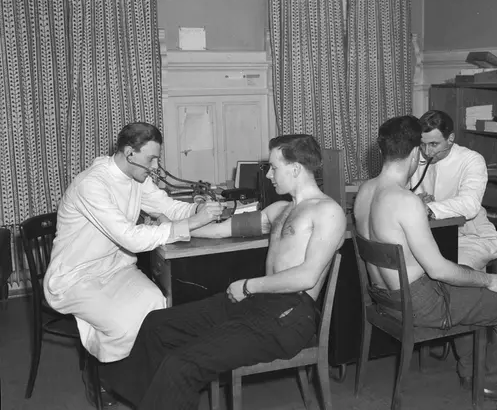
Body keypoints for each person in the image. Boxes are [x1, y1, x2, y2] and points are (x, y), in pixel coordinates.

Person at [102, 134, 347, 410]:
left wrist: (248, 286)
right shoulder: (280, 210)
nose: (268, 175)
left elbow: (307, 277)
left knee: (182, 364)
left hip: (289, 316)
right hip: (258, 302)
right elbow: (221, 230)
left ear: (295, 169)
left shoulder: (328, 212)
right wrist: (171, 227)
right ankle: (150, 402)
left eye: (273, 167)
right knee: (156, 325)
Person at [353, 115, 497, 406]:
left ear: (382, 149)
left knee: (465, 282)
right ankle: (496, 385)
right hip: (419, 304)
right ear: (415, 153)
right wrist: (490, 279)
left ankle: (469, 372)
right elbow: (439, 270)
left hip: (385, 299)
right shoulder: (406, 201)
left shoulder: (365, 191)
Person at [44, 122, 224, 365]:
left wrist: (197, 209)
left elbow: (167, 207)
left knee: (157, 304)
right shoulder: (92, 185)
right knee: (125, 326)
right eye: (151, 159)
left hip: (116, 269)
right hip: (76, 278)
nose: (155, 167)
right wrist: (192, 223)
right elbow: (130, 237)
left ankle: (145, 371)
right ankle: (111, 374)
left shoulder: (136, 178)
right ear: (129, 153)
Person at [410, 109, 497, 271]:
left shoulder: (471, 160)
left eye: (434, 144)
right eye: (423, 144)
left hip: (468, 237)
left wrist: (427, 208)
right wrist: (415, 199)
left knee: (452, 272)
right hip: (429, 235)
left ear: (450, 139)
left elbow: (469, 204)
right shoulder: (415, 156)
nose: (427, 152)